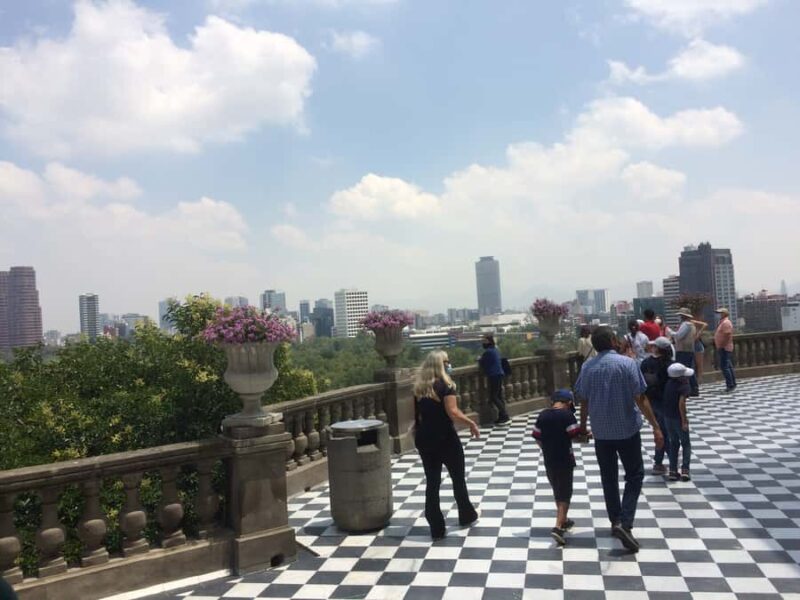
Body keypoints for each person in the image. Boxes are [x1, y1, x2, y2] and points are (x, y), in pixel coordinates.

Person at [575, 326, 664, 552]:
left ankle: (615, 520)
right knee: (635, 475)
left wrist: (583, 427)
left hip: (601, 432)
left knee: (608, 477)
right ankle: (625, 521)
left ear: (594, 345)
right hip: (626, 430)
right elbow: (640, 398)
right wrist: (656, 426)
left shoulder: (587, 367)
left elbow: (583, 401)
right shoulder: (627, 364)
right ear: (614, 341)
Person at [413, 350, 480, 539]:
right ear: (440, 365)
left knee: (432, 482)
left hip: (425, 438)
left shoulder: (419, 388)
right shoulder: (447, 386)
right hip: (445, 438)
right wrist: (471, 423)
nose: (449, 364)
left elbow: (417, 417)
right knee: (457, 477)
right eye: (446, 361)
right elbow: (453, 412)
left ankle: (436, 525)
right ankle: (466, 514)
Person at [532, 389, 582, 545]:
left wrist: (547, 448)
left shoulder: (543, 415)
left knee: (557, 489)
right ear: (568, 403)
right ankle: (558, 527)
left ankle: (564, 520)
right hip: (564, 459)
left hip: (549, 460)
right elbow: (575, 435)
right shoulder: (567, 415)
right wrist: (586, 435)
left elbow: (537, 437)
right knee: (565, 493)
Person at [640, 337, 673, 475]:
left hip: (649, 401)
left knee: (661, 431)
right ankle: (671, 463)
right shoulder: (669, 364)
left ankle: (659, 462)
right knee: (666, 433)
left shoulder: (645, 362)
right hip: (665, 401)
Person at [664, 362, 693, 482]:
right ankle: (685, 470)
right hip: (677, 418)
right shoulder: (684, 385)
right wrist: (684, 421)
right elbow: (681, 404)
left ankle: (672, 471)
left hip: (667, 417)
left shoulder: (668, 383)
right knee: (686, 443)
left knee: (673, 443)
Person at [478, 333, 510, 424]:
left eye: (484, 341)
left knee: (494, 396)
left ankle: (504, 415)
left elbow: (483, 362)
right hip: (499, 374)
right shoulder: (495, 350)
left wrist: (479, 359)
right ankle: (502, 416)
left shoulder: (488, 352)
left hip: (494, 375)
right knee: (499, 396)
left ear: (488, 341)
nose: (482, 343)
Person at [672, 308, 699, 396]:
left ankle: (688, 389)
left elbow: (679, 336)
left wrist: (671, 333)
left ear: (683, 316)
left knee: (684, 370)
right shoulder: (692, 325)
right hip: (689, 349)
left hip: (683, 350)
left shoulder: (686, 325)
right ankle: (693, 388)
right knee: (689, 369)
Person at [714, 307, 737, 392]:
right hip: (723, 347)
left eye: (720, 313)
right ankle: (732, 383)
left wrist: (722, 345)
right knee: (728, 366)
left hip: (725, 347)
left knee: (725, 367)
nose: (718, 315)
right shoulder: (722, 322)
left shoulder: (726, 323)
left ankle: (730, 384)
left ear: (724, 313)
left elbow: (727, 335)